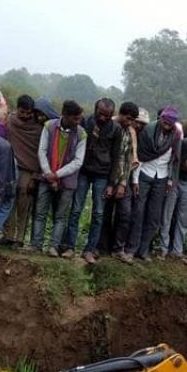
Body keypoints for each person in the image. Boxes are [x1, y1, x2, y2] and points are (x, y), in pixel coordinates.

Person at [63, 98, 122, 263]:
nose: (103, 118)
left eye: (107, 116)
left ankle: (89, 250)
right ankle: (69, 247)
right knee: (75, 210)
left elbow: (116, 157)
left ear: (112, 115)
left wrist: (111, 183)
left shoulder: (116, 129)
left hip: (103, 175)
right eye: (100, 114)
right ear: (95, 110)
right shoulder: (84, 122)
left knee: (98, 213)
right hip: (83, 171)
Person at [124, 106, 183, 262]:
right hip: (144, 174)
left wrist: (171, 180)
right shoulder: (148, 131)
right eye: (165, 121)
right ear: (161, 118)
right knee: (138, 212)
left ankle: (144, 250)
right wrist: (135, 180)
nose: (167, 124)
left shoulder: (176, 136)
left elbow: (175, 160)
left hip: (162, 177)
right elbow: (140, 156)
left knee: (154, 216)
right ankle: (131, 249)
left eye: (170, 122)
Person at [30, 100, 86, 256]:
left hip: (67, 181)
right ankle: (36, 245)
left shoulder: (81, 133)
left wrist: (57, 174)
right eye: (75, 118)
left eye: (79, 118)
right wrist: (48, 173)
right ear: (65, 116)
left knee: (60, 216)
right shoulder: (49, 126)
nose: (78, 121)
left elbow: (78, 161)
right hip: (46, 177)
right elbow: (42, 151)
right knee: (40, 212)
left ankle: (54, 246)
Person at [0, 95, 46, 247]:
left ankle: (19, 239)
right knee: (8, 202)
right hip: (11, 168)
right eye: (22, 112)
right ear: (17, 109)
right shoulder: (10, 121)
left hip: (29, 170)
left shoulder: (39, 128)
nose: (25, 116)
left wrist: (35, 177)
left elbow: (40, 153)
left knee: (23, 205)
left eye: (28, 113)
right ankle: (8, 235)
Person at [101, 101, 139, 260]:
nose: (130, 122)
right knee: (104, 214)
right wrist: (112, 182)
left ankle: (118, 249)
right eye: (128, 118)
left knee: (125, 214)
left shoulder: (130, 131)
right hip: (106, 177)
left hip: (123, 178)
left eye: (132, 120)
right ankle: (101, 248)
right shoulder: (110, 127)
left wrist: (123, 183)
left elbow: (128, 157)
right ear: (121, 114)